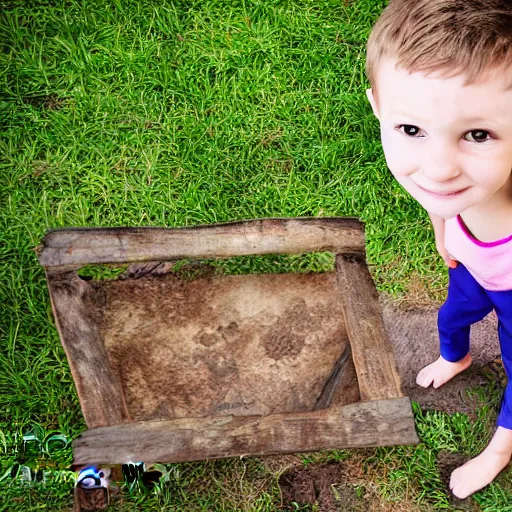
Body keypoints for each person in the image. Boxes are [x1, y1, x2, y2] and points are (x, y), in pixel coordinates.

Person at [364, 0, 512, 499]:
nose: (438, 168)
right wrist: (440, 230)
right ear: (378, 110)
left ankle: (500, 448)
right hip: (471, 268)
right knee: (450, 319)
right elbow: (440, 202)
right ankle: (457, 357)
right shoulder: (449, 188)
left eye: (477, 134)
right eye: (411, 130)